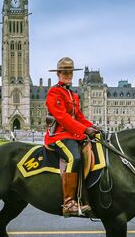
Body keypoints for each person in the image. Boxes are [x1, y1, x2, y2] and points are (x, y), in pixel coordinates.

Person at [45, 57, 100, 217]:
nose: (68, 75)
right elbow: (63, 118)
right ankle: (69, 202)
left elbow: (79, 116)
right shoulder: (54, 92)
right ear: (58, 74)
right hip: (59, 136)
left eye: (70, 72)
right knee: (74, 158)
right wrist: (84, 130)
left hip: (73, 135)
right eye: (65, 72)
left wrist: (92, 126)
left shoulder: (73, 95)